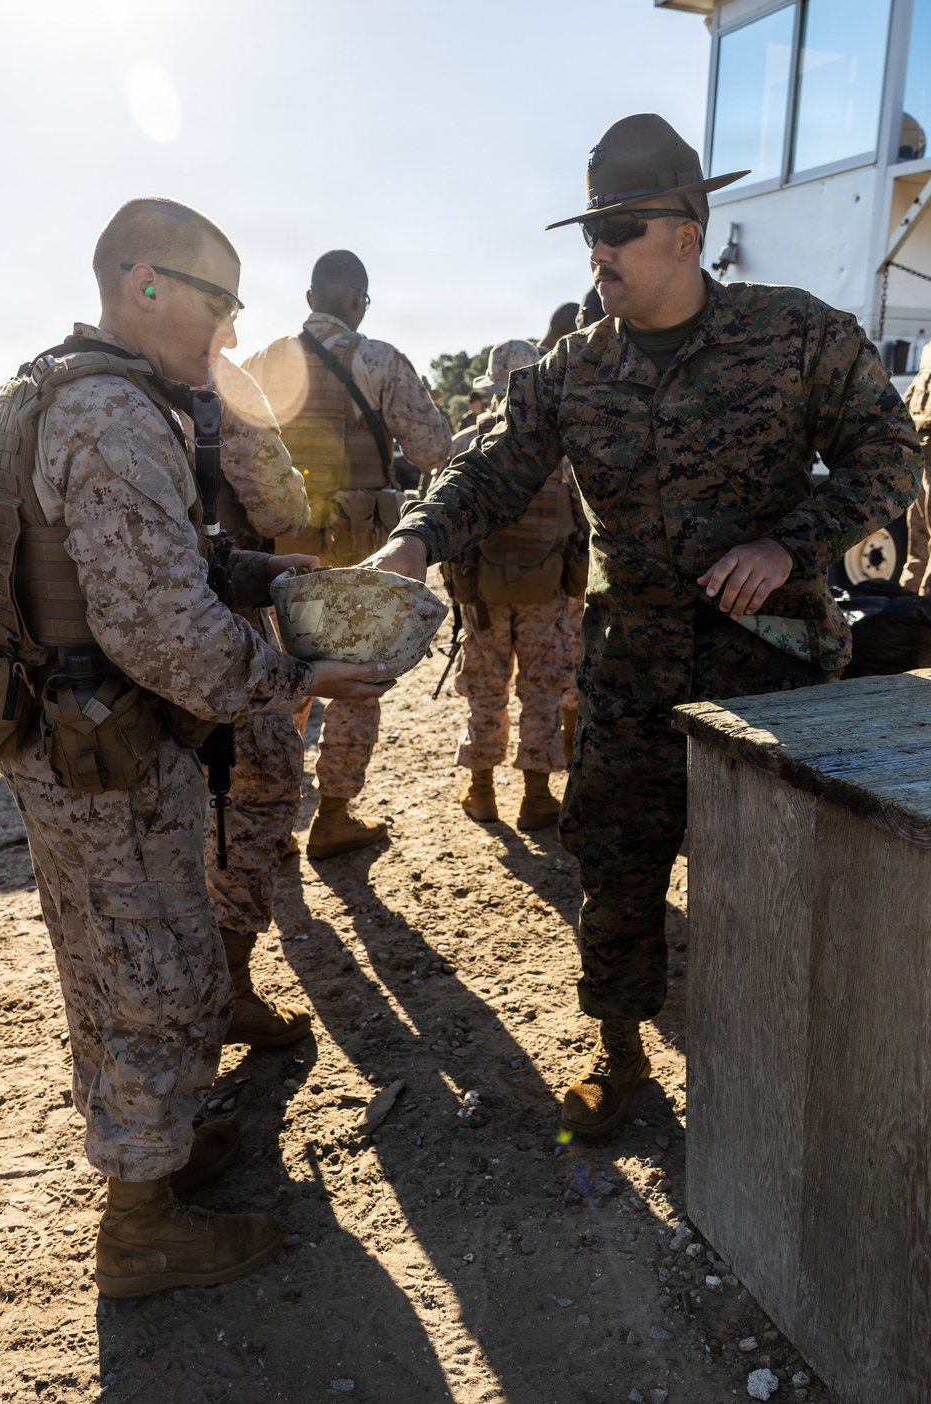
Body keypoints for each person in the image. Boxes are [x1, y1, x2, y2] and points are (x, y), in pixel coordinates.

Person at [368, 114, 920, 1142]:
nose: (600, 249)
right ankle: (619, 1053)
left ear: (687, 230)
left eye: (622, 226)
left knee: (771, 881)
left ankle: (774, 1066)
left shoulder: (797, 334)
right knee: (613, 858)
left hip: (773, 664)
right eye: (593, 228)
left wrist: (787, 545)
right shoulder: (572, 367)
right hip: (633, 665)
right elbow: (485, 468)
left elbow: (889, 458)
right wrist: (410, 545)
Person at [0, 197, 392, 1296]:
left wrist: (278, 586)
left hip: (67, 738)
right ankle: (141, 1226)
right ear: (144, 283)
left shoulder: (59, 384)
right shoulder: (114, 415)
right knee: (158, 975)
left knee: (106, 968)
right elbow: (159, 627)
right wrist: (298, 674)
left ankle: (150, 1158)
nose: (229, 329)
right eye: (218, 301)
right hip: (108, 752)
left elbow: (177, 558)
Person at [243, 249, 451, 859]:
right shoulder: (378, 359)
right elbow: (435, 447)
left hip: (280, 561)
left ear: (311, 299)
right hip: (358, 556)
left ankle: (273, 823)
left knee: (284, 683)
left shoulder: (261, 363)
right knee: (357, 684)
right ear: (357, 300)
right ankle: (332, 816)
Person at [201, 353, 314, 1049]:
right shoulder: (217, 382)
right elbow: (281, 507)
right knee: (262, 785)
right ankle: (230, 992)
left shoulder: (68, 381)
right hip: (216, 619)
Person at [443, 339, 575, 830]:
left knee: (485, 688)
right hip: (546, 586)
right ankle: (537, 798)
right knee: (541, 687)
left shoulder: (464, 442)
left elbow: (447, 522)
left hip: (483, 591)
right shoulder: (561, 443)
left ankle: (481, 793)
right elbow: (580, 521)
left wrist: (459, 589)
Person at [901, 339, 931, 593]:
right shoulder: (928, 349)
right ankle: (910, 599)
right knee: (918, 532)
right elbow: (911, 396)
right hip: (920, 454)